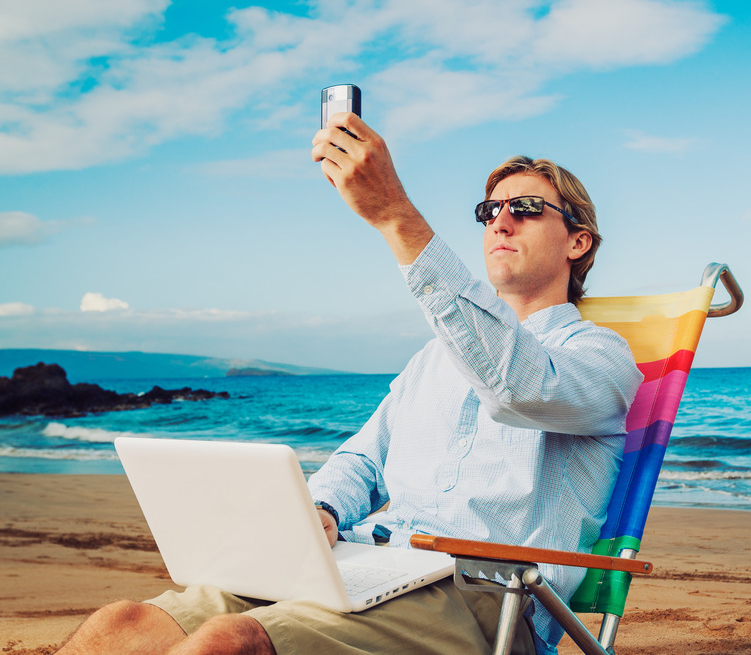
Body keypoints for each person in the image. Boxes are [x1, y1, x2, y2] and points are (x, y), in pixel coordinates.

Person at [56, 113, 642, 655]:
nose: (501, 220)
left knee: (230, 642)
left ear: (578, 241)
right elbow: (364, 458)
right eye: (489, 211)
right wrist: (322, 508)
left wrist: (395, 215)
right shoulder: (433, 360)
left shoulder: (602, 359)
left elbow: (519, 387)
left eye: (527, 208)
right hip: (366, 561)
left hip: (485, 601)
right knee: (121, 624)